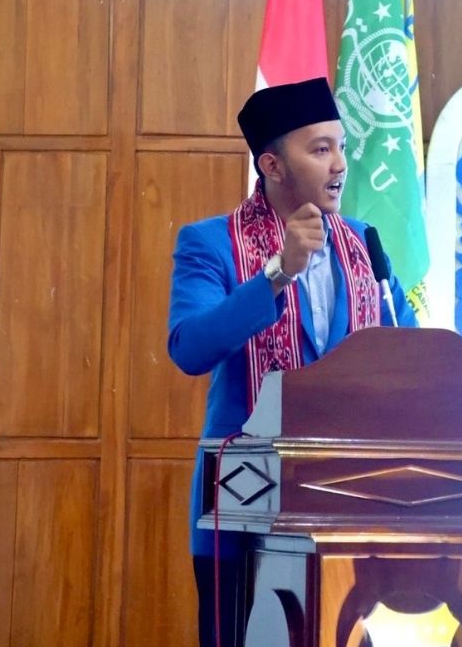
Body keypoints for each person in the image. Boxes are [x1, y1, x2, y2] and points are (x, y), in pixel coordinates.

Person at [167, 76, 418, 647]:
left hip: (346, 502)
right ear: (272, 166)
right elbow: (190, 348)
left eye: (342, 147)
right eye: (320, 149)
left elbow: (411, 350)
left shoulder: (364, 244)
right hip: (242, 506)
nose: (340, 165)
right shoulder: (211, 244)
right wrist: (277, 273)